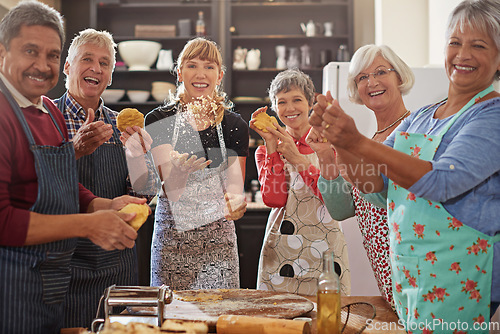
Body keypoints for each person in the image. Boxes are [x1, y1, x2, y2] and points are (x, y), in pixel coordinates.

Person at [309, 0, 500, 332]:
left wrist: (354, 142)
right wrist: (338, 142)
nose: (462, 54)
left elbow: (442, 182)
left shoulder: (491, 115)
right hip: (411, 274)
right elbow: (373, 187)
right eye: (455, 42)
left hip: (462, 273)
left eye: (478, 45)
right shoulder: (424, 116)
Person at [0, 2, 144, 333]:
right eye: (30, 51)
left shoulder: (47, 111)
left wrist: (106, 205)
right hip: (16, 283)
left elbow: (61, 183)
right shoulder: (6, 113)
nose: (42, 64)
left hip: (52, 279)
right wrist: (89, 224)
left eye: (50, 54)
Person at [54, 28, 153, 328]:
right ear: (68, 67)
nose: (96, 68)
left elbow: (144, 196)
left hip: (116, 267)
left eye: (104, 63)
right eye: (87, 59)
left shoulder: (122, 125)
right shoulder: (45, 118)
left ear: (110, 76)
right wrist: (75, 149)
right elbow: (36, 185)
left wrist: (140, 162)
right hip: (64, 266)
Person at [307, 44, 415, 307]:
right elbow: (341, 208)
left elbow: (385, 197)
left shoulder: (413, 132)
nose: (372, 82)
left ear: (399, 77)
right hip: (385, 274)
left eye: (380, 72)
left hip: (412, 267)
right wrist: (325, 155)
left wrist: (344, 144)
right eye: (362, 78)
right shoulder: (368, 140)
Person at [144, 37, 249, 290]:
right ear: (179, 72)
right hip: (171, 246)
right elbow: (172, 191)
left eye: (209, 66)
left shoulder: (234, 125)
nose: (200, 74)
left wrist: (236, 204)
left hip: (219, 248)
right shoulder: (159, 119)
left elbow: (234, 189)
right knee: (171, 321)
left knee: (221, 320)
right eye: (192, 65)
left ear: (220, 75)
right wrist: (179, 173)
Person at [249, 69, 350, 296]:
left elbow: (333, 200)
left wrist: (296, 157)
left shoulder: (329, 144)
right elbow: (274, 199)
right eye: (282, 102)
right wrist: (273, 146)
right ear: (274, 107)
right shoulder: (265, 151)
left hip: (326, 249)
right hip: (282, 250)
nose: (290, 108)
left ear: (310, 101)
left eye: (297, 100)